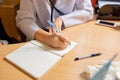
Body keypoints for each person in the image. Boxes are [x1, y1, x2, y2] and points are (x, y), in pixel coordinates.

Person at [16, 0, 94, 49]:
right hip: (40, 39)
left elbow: (88, 11)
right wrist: (45, 37)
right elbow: (23, 19)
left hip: (69, 34)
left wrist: (62, 19)